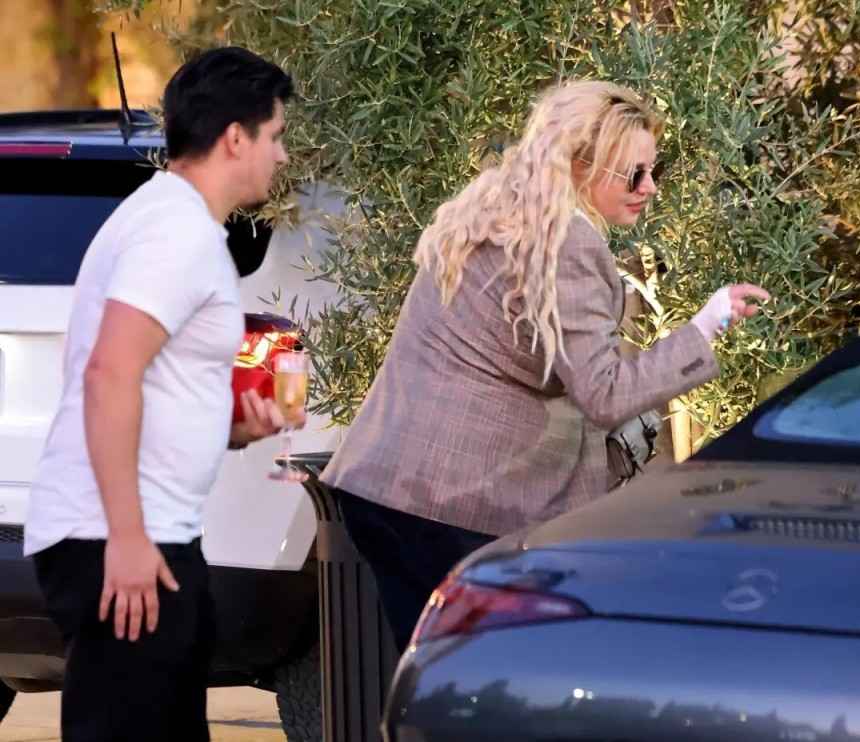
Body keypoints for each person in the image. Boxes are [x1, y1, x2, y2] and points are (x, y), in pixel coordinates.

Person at [320, 80, 769, 652]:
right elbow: (604, 393)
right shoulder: (567, 240)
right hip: (451, 505)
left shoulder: (495, 210)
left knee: (436, 680)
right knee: (489, 681)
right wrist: (704, 327)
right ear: (581, 165)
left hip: (389, 488)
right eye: (634, 174)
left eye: (653, 170)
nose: (650, 187)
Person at [23, 47, 299, 742]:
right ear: (235, 137)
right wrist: (126, 538)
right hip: (122, 539)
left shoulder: (173, 222)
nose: (282, 154)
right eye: (275, 135)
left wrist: (233, 428)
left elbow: (150, 381)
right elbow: (110, 373)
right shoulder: (175, 231)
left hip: (152, 534)